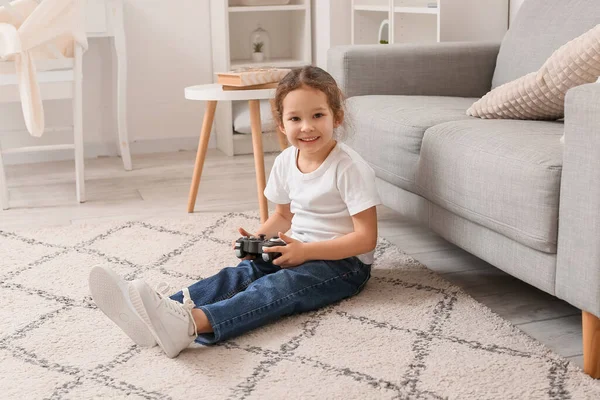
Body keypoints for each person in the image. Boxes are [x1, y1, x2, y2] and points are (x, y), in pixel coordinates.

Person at [88, 66, 381, 358]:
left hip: (343, 265)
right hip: (296, 248)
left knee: (277, 287)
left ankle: (191, 325)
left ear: (337, 117)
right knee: (242, 273)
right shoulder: (285, 161)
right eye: (295, 118)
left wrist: (306, 252)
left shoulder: (349, 168)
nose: (306, 127)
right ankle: (163, 308)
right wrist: (258, 237)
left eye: (317, 115)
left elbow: (366, 239)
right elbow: (283, 216)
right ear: (281, 123)